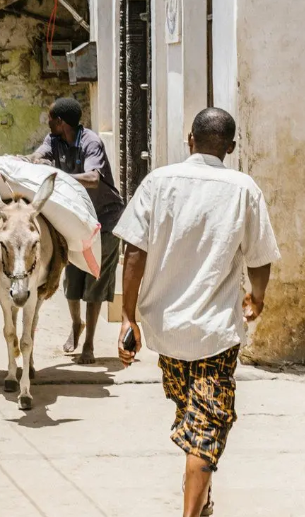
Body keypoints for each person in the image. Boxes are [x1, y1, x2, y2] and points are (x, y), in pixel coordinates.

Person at [113, 108, 280, 517]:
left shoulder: (157, 182)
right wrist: (256, 296)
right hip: (215, 334)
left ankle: (200, 500)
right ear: (231, 147)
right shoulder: (244, 188)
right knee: (205, 429)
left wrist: (128, 316)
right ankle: (193, 511)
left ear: (190, 140)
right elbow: (260, 257)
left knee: (195, 417)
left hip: (166, 332)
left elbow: (134, 251)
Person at [26, 97, 125, 364]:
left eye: (50, 118)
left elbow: (93, 179)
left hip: (104, 220)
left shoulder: (91, 142)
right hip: (75, 218)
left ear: (61, 122)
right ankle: (76, 324)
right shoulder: (53, 140)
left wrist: (56, 174)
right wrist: (31, 161)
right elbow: (39, 156)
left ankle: (89, 344)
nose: (47, 122)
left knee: (95, 282)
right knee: (71, 280)